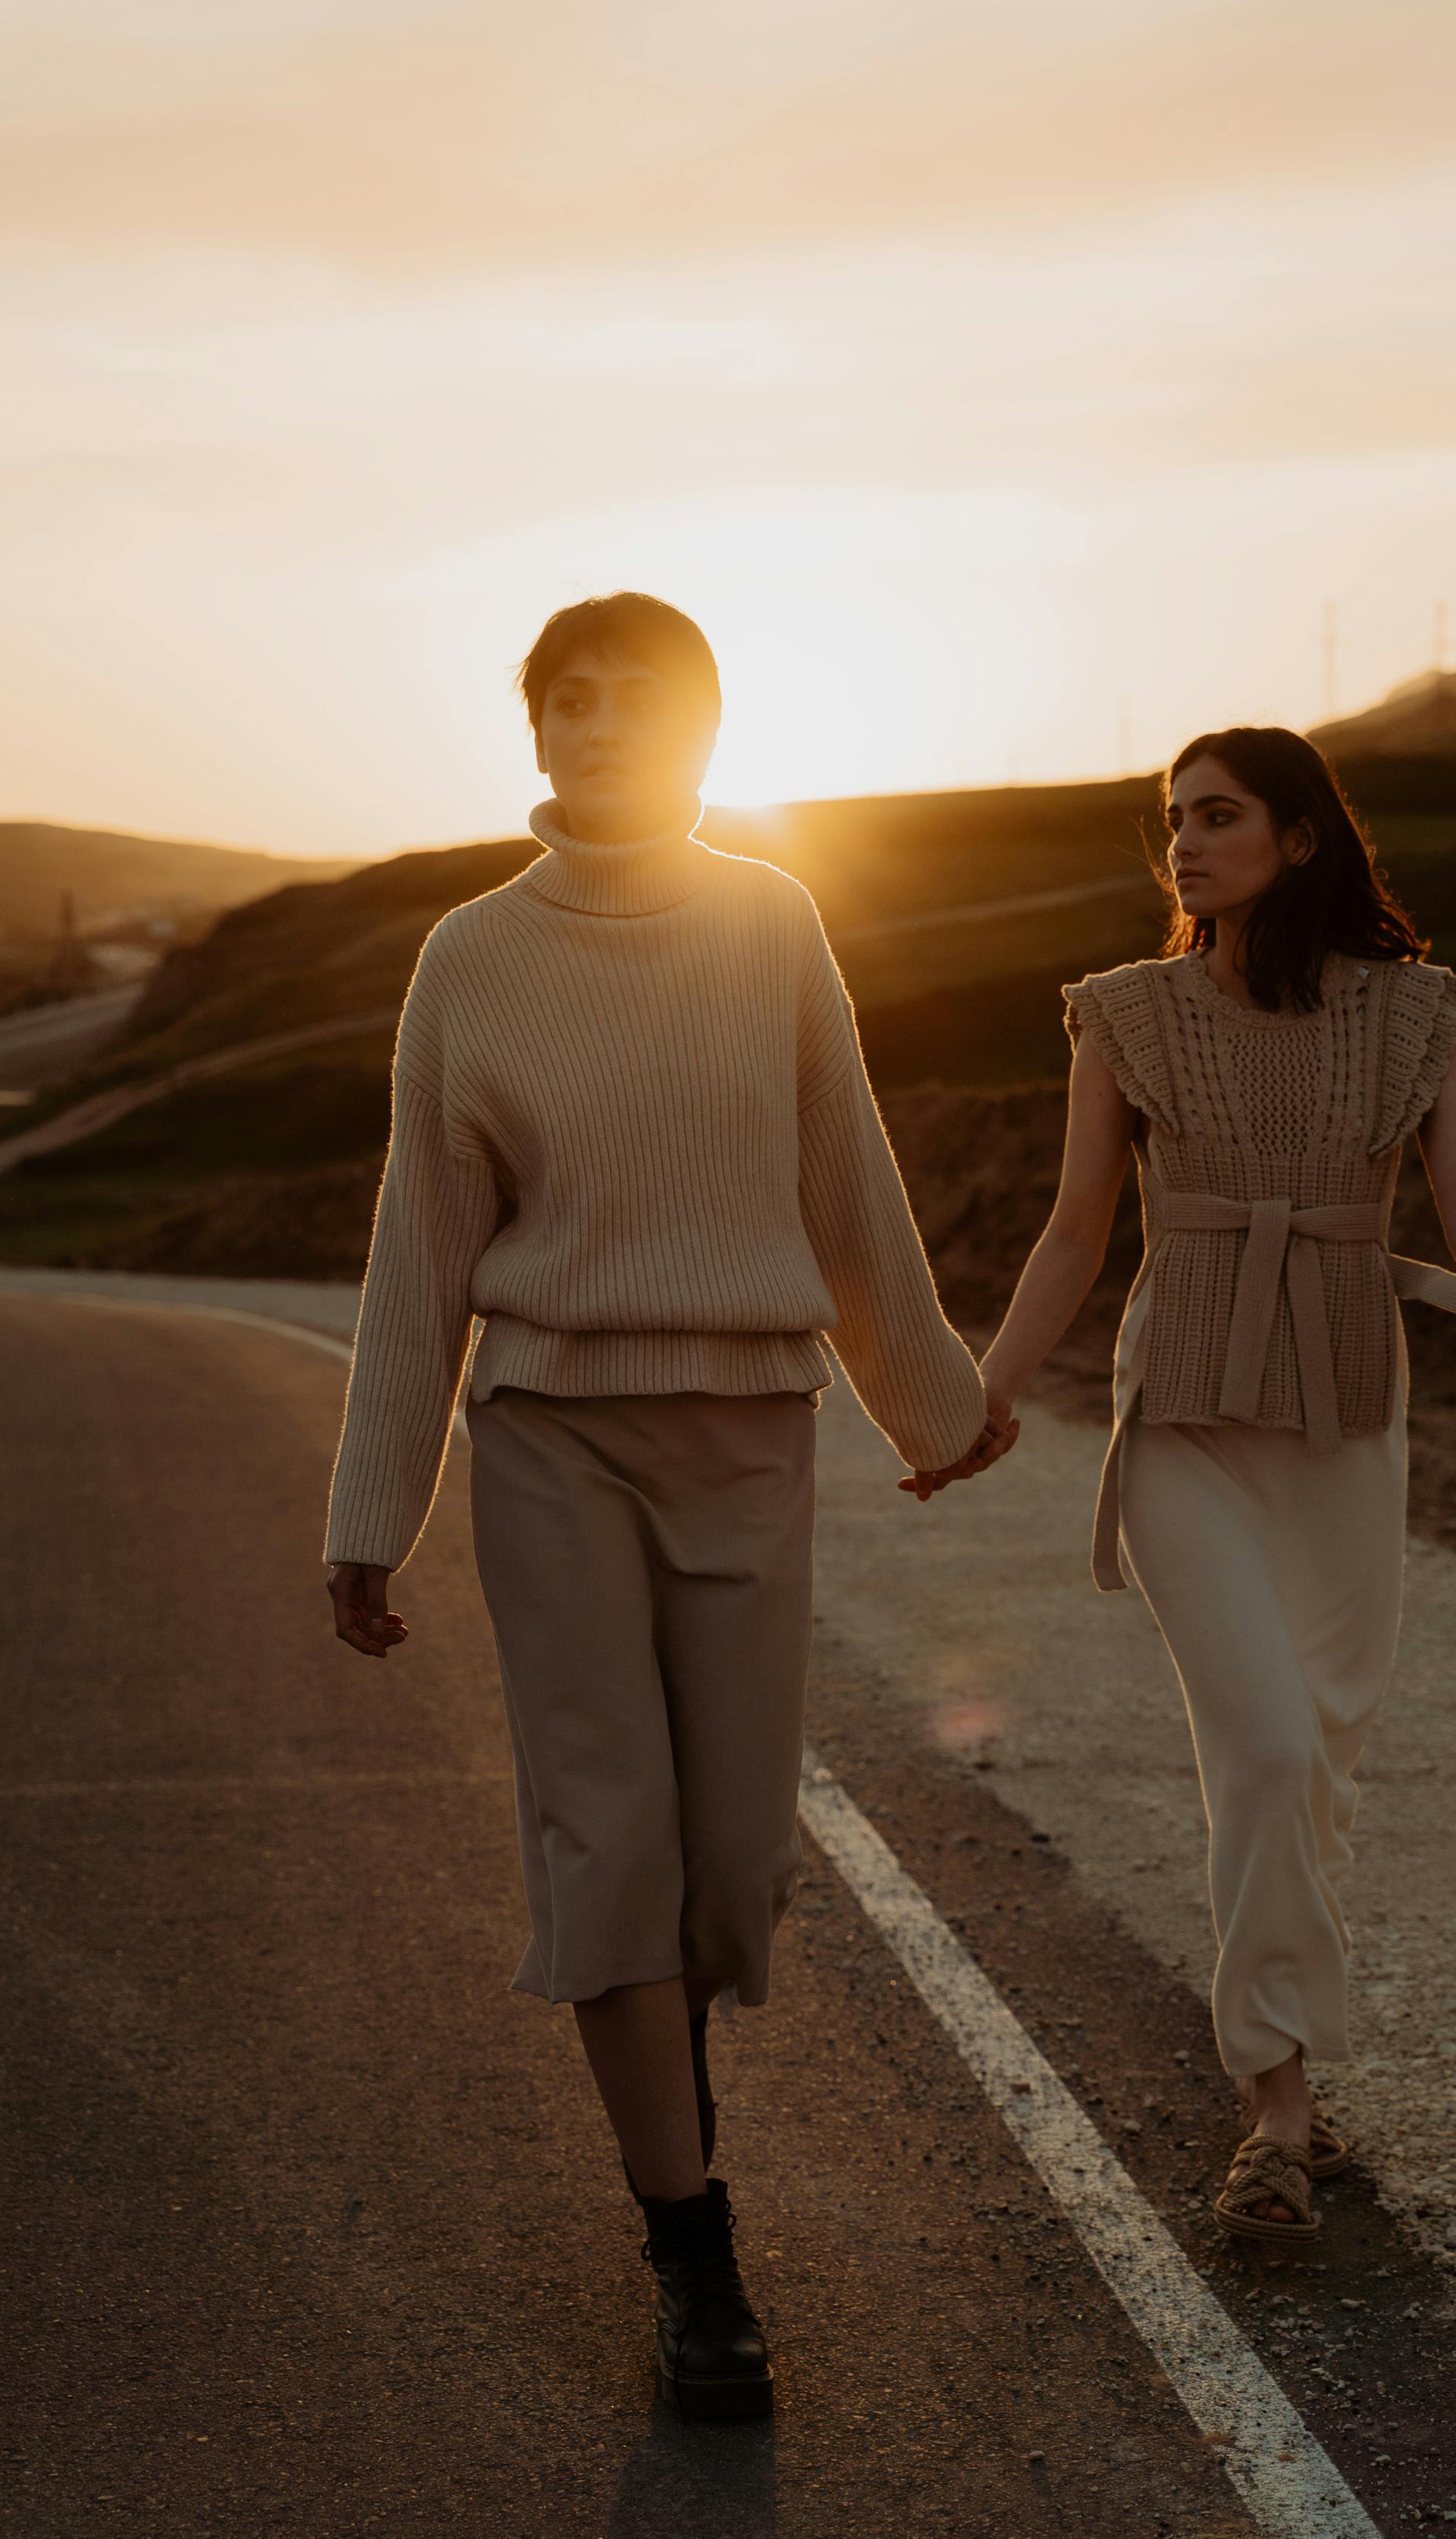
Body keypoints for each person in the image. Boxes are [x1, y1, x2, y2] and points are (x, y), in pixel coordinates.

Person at [323, 592, 1011, 2416]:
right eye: (569, 698)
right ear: (533, 730)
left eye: (639, 699)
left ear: (705, 730)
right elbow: (422, 1249)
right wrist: (369, 1506)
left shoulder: (774, 922)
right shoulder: (467, 958)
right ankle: (691, 2259)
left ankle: (671, 2090)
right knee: (608, 1841)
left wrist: (931, 1404)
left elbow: (844, 1173)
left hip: (752, 1431)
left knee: (731, 1867)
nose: (600, 723)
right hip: (552, 1433)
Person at [971, 725, 1456, 2244]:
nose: (1183, 842)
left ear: (1301, 839)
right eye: (1172, 820)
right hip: (1180, 1417)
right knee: (1259, 1739)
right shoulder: (1123, 1015)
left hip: (1346, 1425)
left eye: (1219, 815)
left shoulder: (1418, 1016)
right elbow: (1072, 1231)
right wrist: (978, 1396)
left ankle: (1286, 2052)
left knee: (1317, 1757)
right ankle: (1277, 2121)